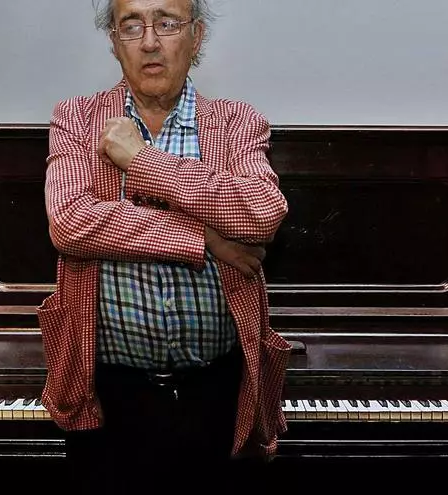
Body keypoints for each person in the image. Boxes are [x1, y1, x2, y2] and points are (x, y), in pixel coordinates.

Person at [36, 0, 291, 491]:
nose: (150, 41)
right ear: (114, 42)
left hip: (217, 391)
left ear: (196, 37)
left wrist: (142, 161)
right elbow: (71, 223)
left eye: (167, 23)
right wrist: (206, 239)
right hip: (107, 391)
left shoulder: (236, 122)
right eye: (132, 26)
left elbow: (261, 213)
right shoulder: (76, 118)